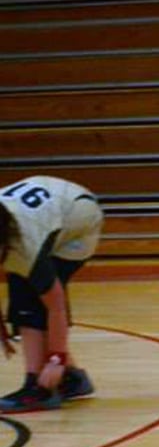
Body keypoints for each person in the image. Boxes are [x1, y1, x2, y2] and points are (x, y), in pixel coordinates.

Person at [0, 175, 100, 413]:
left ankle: (39, 388)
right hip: (48, 206)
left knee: (31, 300)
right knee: (23, 291)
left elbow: (56, 306)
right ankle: (72, 379)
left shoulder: (25, 248)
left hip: (79, 221)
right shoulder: (11, 240)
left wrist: (56, 358)